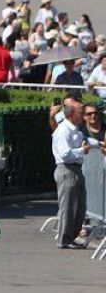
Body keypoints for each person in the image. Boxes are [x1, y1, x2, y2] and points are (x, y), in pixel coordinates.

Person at [52, 99, 93, 249]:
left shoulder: (74, 129)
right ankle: (64, 239)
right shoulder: (63, 130)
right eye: (80, 113)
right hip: (67, 169)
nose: (83, 116)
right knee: (68, 207)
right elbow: (65, 154)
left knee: (79, 206)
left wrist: (96, 144)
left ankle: (70, 237)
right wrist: (82, 151)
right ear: (72, 115)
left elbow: (85, 141)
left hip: (75, 169)